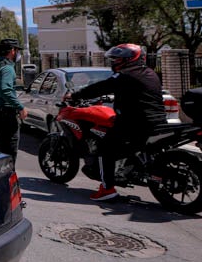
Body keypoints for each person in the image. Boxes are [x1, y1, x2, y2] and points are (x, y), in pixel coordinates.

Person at [65, 43, 165, 202]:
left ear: (131, 59)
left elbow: (101, 87)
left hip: (134, 124)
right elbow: (137, 94)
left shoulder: (125, 76)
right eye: (115, 59)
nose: (115, 62)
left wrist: (75, 95)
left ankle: (107, 189)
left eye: (119, 59)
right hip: (158, 121)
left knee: (104, 149)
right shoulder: (150, 73)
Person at [0, 38, 28, 163]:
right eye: (17, 50)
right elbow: (6, 90)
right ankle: (9, 180)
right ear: (12, 51)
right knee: (10, 154)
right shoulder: (8, 68)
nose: (18, 54)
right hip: (6, 116)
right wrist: (20, 107)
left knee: (3, 151)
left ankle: (4, 179)